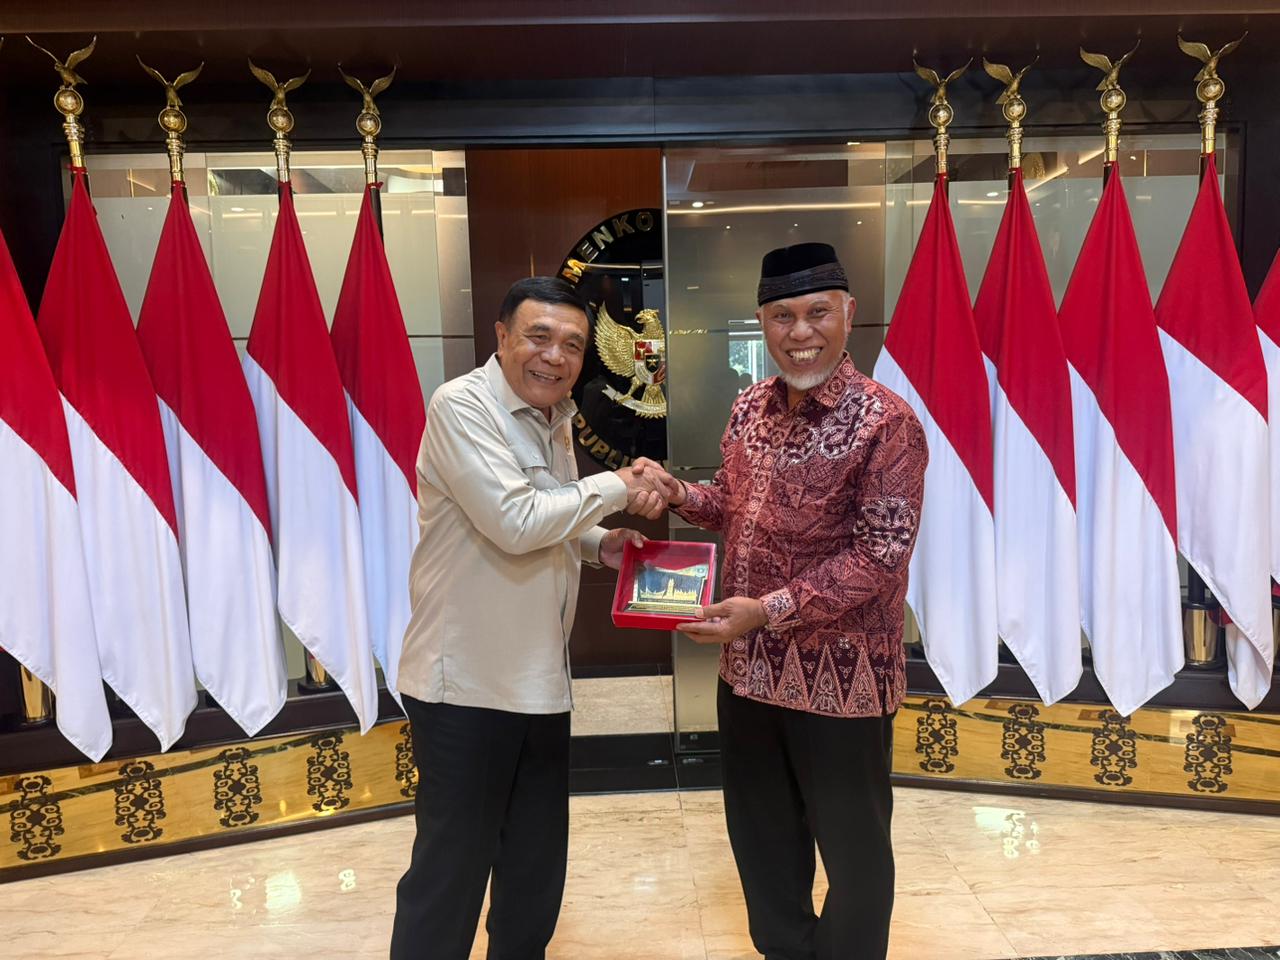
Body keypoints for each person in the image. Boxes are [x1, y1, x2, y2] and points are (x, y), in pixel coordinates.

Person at [650, 242, 928, 960]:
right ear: (762, 323)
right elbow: (734, 507)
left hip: (842, 685)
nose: (800, 332)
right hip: (748, 676)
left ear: (848, 314)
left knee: (855, 860)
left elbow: (880, 555)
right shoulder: (750, 406)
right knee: (764, 851)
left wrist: (766, 610)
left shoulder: (886, 422)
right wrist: (681, 493)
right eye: (783, 317)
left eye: (816, 313)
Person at [390, 276, 670, 960]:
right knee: (449, 882)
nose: (555, 356)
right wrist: (618, 488)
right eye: (539, 337)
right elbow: (514, 522)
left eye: (573, 344)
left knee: (532, 879)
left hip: (539, 686)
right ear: (503, 337)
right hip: (466, 691)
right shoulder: (462, 406)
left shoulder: (553, 415)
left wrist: (599, 542)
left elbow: (542, 507)